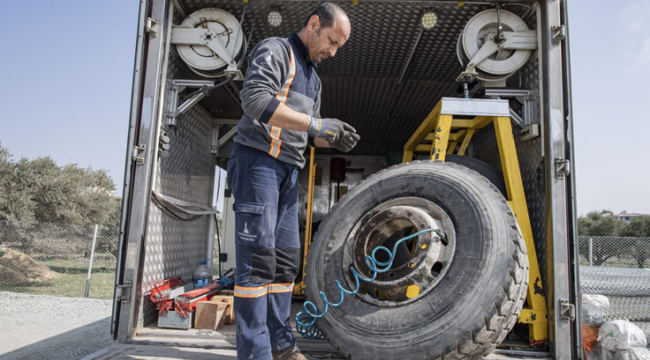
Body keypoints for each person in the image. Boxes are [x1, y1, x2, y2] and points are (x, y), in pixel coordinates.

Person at [226, 3, 357, 360]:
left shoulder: (313, 79)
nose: (332, 51)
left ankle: (282, 347)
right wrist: (317, 125)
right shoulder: (276, 50)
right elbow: (255, 101)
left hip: (288, 172)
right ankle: (255, 353)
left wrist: (333, 135)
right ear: (314, 24)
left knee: (284, 264)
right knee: (258, 263)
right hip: (258, 164)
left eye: (338, 47)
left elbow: (309, 133)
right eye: (331, 41)